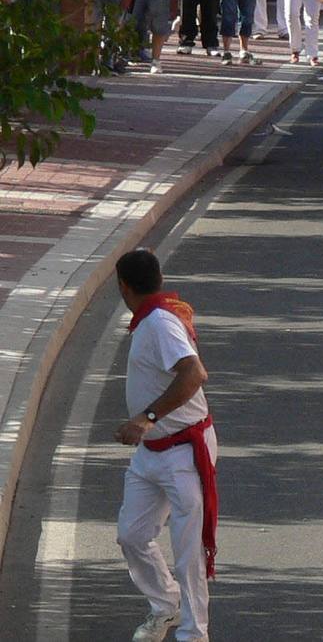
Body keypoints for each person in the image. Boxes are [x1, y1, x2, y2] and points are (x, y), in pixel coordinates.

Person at [113, 248, 216, 642]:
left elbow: (194, 373)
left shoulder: (158, 323)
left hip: (183, 453)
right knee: (132, 535)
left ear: (124, 286)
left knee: (188, 551)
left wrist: (145, 418)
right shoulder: (155, 317)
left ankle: (193, 634)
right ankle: (166, 605)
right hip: (153, 451)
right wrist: (148, 427)